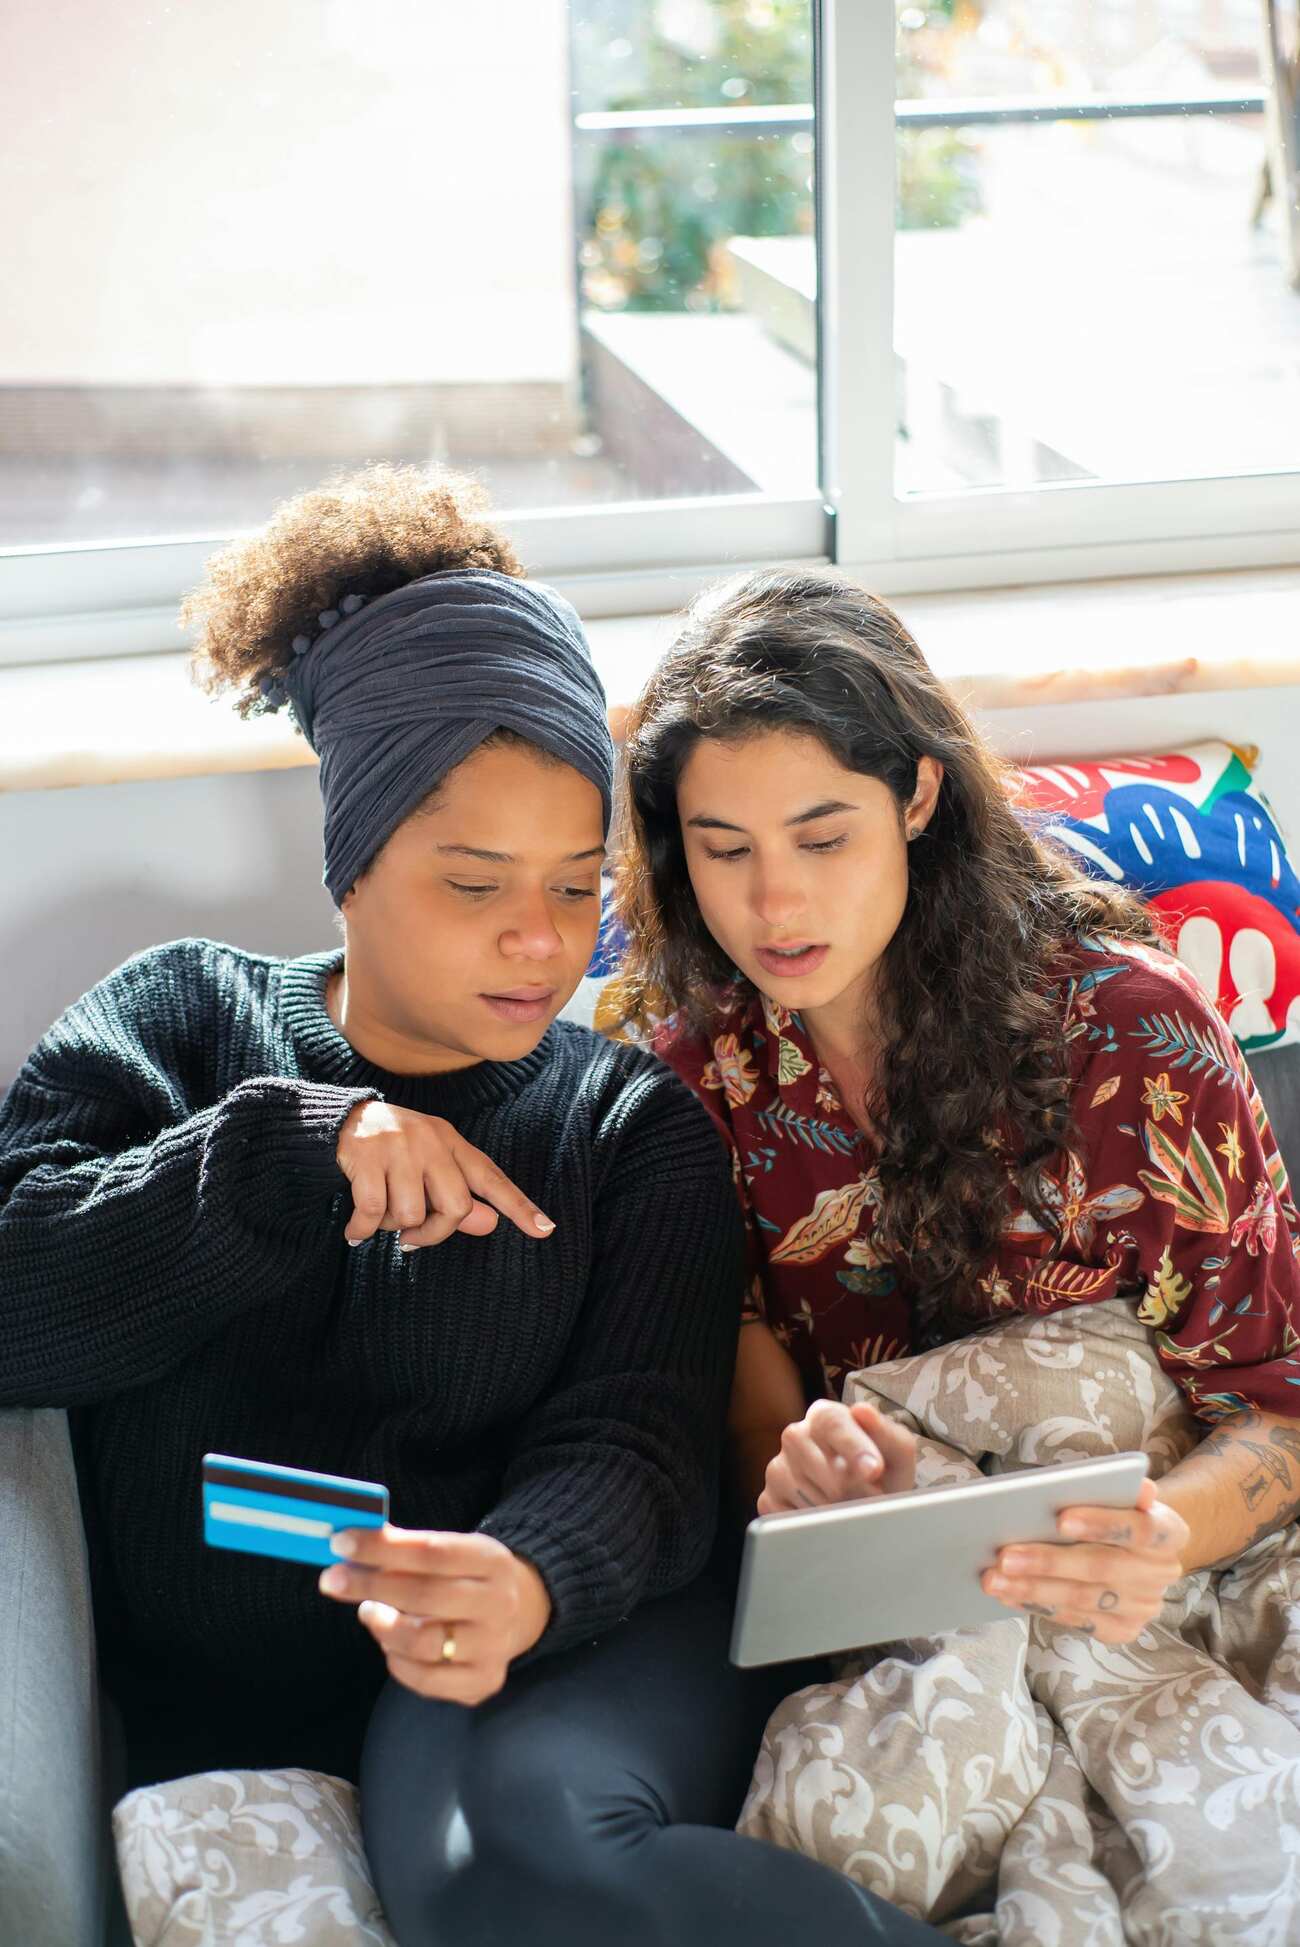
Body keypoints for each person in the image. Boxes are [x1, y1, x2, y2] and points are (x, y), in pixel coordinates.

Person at [0, 474, 944, 1947]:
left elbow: (637, 1438)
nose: (540, 940)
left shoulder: (628, 1127)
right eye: (475, 881)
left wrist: (525, 1575)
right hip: (241, 1699)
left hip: (554, 1657)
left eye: (579, 888)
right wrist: (284, 1154)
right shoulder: (177, 1026)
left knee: (512, 1866)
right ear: (351, 860)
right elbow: (18, 1297)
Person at [613, 567, 1300, 1659]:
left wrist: (1161, 1537)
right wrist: (798, 1480)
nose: (774, 903)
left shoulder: (1136, 1039)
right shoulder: (685, 1075)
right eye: (725, 848)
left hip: (1150, 1569)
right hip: (894, 1600)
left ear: (918, 798)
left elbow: (1281, 1403)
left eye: (822, 837)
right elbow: (750, 1419)